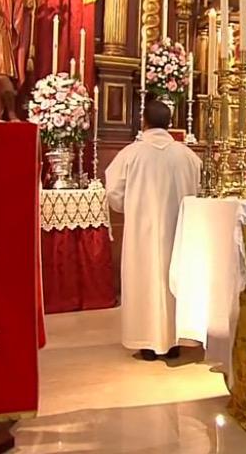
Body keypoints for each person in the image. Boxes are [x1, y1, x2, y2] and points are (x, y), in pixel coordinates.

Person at [104, 100, 202, 361]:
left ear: (143, 121)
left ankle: (147, 343)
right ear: (169, 123)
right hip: (180, 232)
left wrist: (134, 208)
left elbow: (114, 194)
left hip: (142, 233)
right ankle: (176, 341)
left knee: (144, 281)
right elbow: (199, 190)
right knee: (174, 282)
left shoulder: (131, 154)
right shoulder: (187, 156)